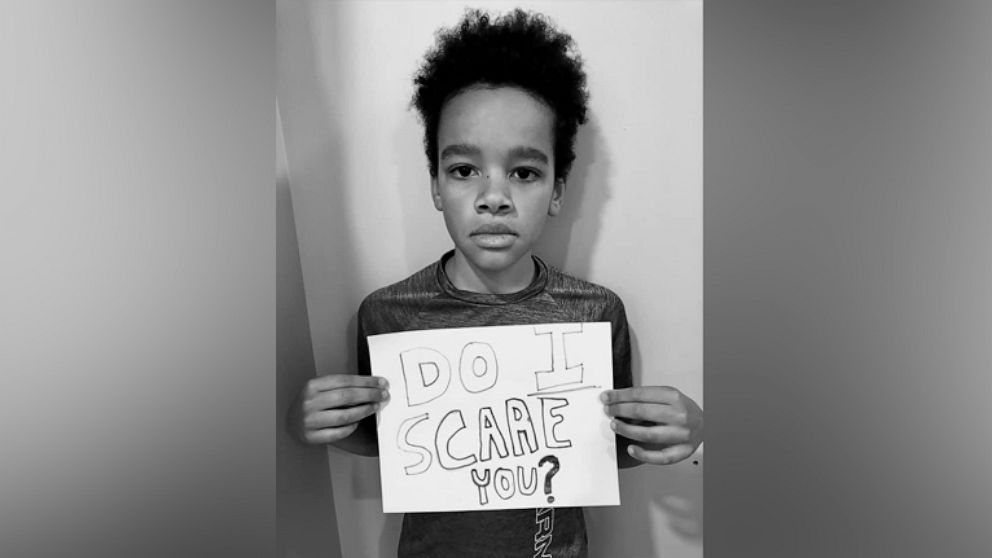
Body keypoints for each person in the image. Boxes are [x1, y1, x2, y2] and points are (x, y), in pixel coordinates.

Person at [289, 8, 703, 556]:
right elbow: (390, 443)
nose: (494, 196)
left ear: (557, 190)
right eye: (464, 170)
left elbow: (606, 448)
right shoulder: (389, 315)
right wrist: (311, 425)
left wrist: (684, 430)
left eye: (525, 172)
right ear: (435, 183)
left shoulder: (594, 312)